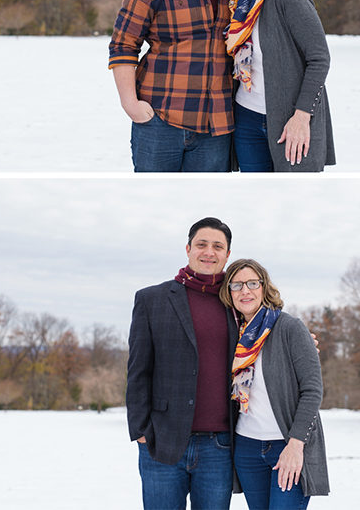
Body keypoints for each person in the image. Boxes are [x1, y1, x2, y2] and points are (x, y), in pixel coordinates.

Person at [108, 0, 233, 172]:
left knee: (207, 194)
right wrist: (130, 104)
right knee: (153, 192)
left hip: (217, 126)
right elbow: (123, 45)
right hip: (160, 121)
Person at [126, 217, 238, 509]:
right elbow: (138, 370)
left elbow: (270, 334)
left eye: (218, 246)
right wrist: (141, 431)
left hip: (220, 446)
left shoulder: (238, 302)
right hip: (161, 442)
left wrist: (303, 340)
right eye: (202, 244)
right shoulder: (152, 299)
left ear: (227, 254)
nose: (209, 252)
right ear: (188, 249)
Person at [209, 0, 335, 172]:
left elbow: (319, 59)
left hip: (291, 119)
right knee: (256, 189)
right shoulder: (232, 4)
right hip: (247, 118)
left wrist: (302, 115)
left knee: (296, 189)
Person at [219, 258, 330, 508]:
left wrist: (295, 444)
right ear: (229, 293)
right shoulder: (233, 335)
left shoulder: (289, 328)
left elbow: (312, 391)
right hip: (247, 448)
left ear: (264, 287)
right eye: (236, 285)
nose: (245, 291)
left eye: (252, 283)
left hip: (287, 445)